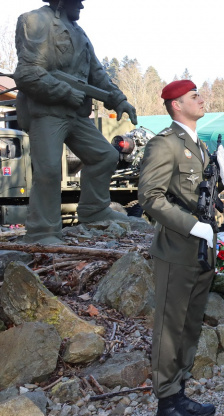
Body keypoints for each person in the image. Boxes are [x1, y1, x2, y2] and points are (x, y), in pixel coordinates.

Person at [15, 0, 138, 245]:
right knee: (48, 170)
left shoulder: (79, 32)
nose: (81, 6)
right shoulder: (34, 20)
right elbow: (27, 73)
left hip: (75, 114)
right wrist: (64, 91)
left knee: (105, 156)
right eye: (77, 1)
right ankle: (42, 233)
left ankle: (94, 211)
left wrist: (119, 100)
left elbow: (97, 73)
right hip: (47, 111)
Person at [139, 80, 224, 416]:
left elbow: (201, 194)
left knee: (191, 324)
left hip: (201, 249)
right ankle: (166, 403)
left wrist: (222, 179)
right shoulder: (165, 144)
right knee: (170, 328)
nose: (202, 99)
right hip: (177, 248)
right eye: (194, 96)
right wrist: (192, 225)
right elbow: (151, 197)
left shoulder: (199, 145)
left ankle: (180, 393)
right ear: (176, 105)